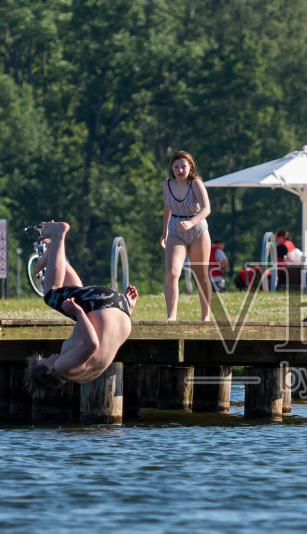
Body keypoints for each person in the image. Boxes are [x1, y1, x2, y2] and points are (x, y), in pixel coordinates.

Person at [28, 220, 138, 391]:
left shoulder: (84, 376)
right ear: (49, 370)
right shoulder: (60, 367)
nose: (52, 355)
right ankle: (58, 234)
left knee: (74, 297)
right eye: (47, 359)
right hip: (104, 303)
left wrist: (125, 309)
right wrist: (78, 313)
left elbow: (105, 339)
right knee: (50, 295)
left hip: (121, 310)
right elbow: (92, 344)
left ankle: (56, 259)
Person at [161, 151, 213, 322]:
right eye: (176, 166)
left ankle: (205, 315)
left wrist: (191, 222)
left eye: (183, 166)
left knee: (201, 274)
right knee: (172, 272)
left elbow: (206, 208)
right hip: (176, 231)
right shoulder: (167, 184)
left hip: (198, 230)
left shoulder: (195, 183)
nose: (180, 170)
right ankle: (171, 316)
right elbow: (168, 206)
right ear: (172, 168)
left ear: (190, 167)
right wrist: (165, 232)